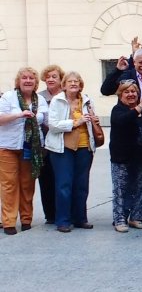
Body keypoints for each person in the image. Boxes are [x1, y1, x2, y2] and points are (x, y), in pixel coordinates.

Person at [45, 72, 99, 232]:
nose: (73, 83)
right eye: (70, 81)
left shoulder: (87, 100)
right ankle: (62, 220)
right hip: (62, 148)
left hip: (85, 147)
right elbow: (53, 125)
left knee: (82, 185)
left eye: (76, 81)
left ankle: (80, 218)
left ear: (81, 84)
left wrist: (93, 121)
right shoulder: (57, 100)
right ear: (64, 84)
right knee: (64, 185)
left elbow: (91, 121)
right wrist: (76, 122)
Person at [0, 68, 48, 235]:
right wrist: (19, 115)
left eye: (31, 78)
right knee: (9, 185)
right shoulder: (8, 97)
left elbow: (45, 120)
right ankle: (9, 222)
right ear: (18, 81)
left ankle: (26, 219)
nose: (28, 81)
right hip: (8, 146)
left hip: (31, 147)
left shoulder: (40, 99)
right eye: (24, 78)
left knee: (28, 185)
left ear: (36, 82)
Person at [109, 80, 142, 232]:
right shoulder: (118, 110)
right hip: (122, 157)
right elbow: (123, 121)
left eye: (133, 92)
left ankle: (135, 217)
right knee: (121, 189)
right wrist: (140, 106)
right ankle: (119, 219)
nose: (131, 94)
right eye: (127, 92)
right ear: (120, 95)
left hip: (141, 156)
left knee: (140, 188)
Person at [37, 64, 65, 225]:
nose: (50, 79)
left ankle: (65, 212)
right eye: (47, 77)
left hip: (63, 142)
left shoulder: (67, 94)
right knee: (46, 179)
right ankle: (51, 214)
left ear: (61, 79)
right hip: (45, 145)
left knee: (62, 179)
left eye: (54, 76)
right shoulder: (39, 97)